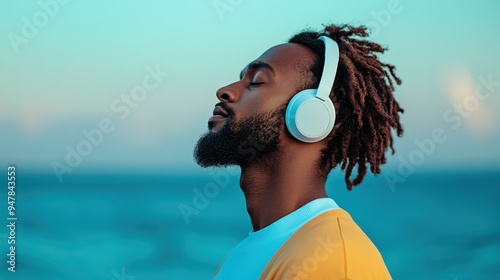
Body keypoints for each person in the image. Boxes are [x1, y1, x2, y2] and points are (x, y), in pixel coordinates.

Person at [193, 24, 404, 280]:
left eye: (257, 81)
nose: (225, 90)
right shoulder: (240, 256)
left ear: (310, 116)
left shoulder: (333, 258)